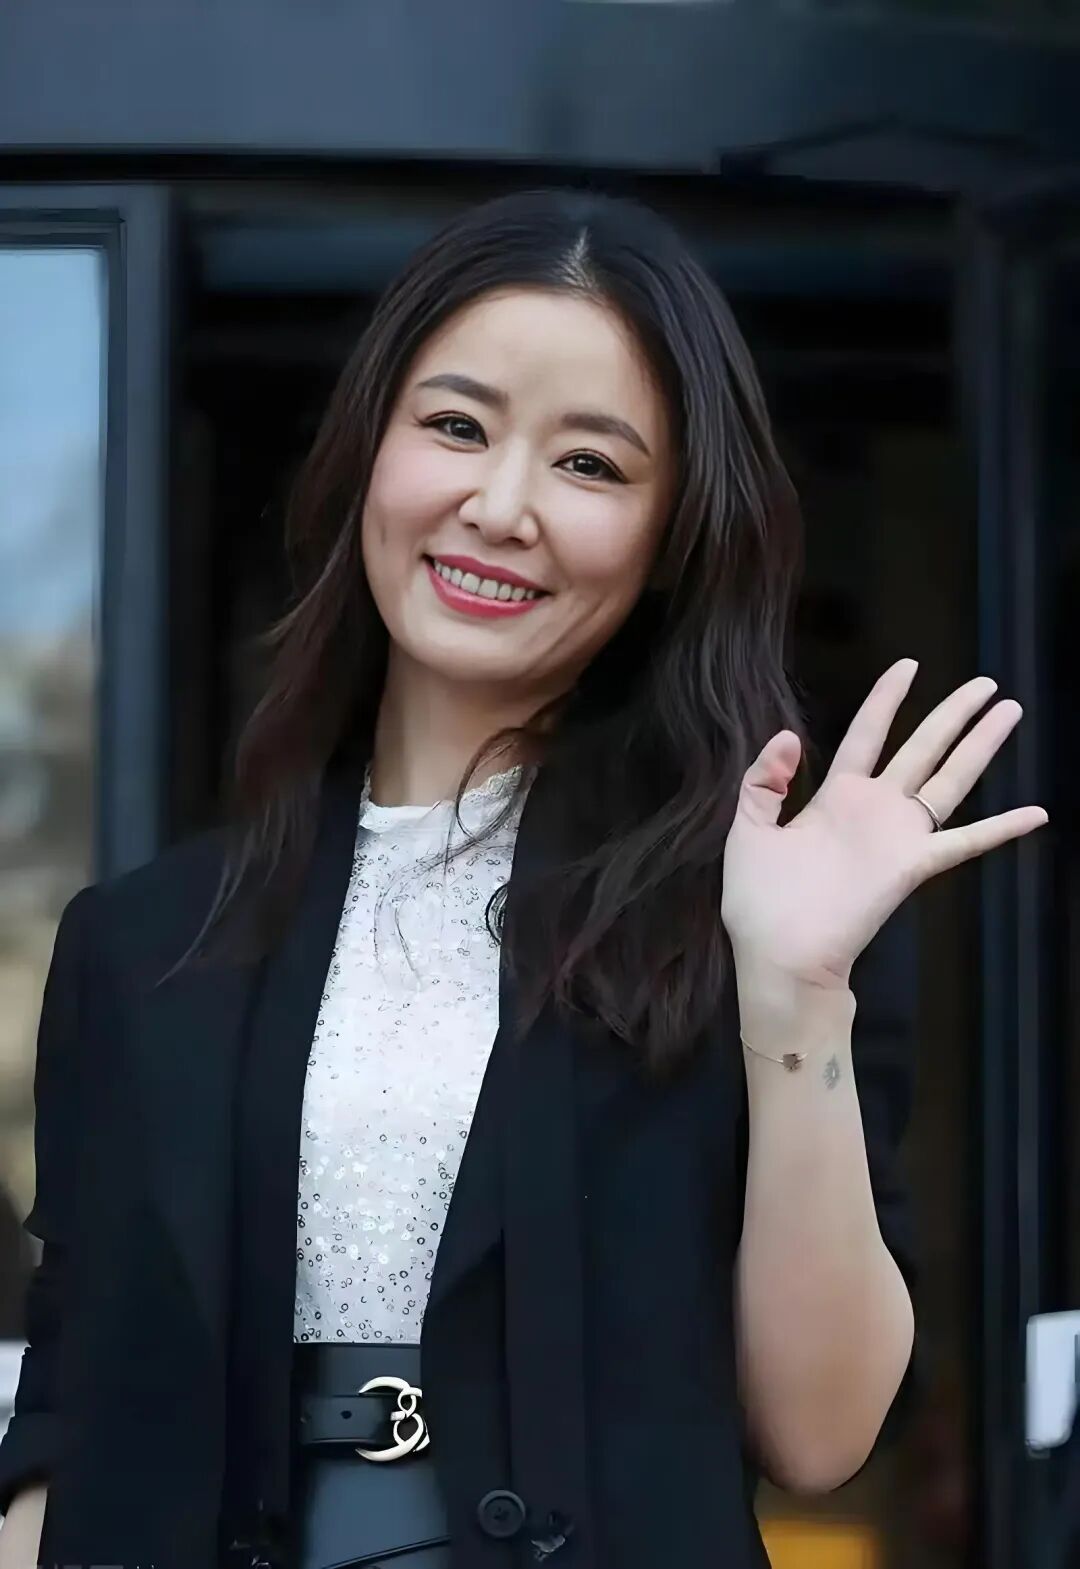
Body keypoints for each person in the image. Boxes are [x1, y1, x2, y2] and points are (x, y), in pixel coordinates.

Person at [0, 189, 1046, 1569]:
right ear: (368, 452)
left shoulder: (755, 917)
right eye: (456, 426)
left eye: (591, 465)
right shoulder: (139, 943)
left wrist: (796, 998)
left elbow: (821, 1434)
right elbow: (66, 1428)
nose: (500, 508)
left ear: (672, 539)